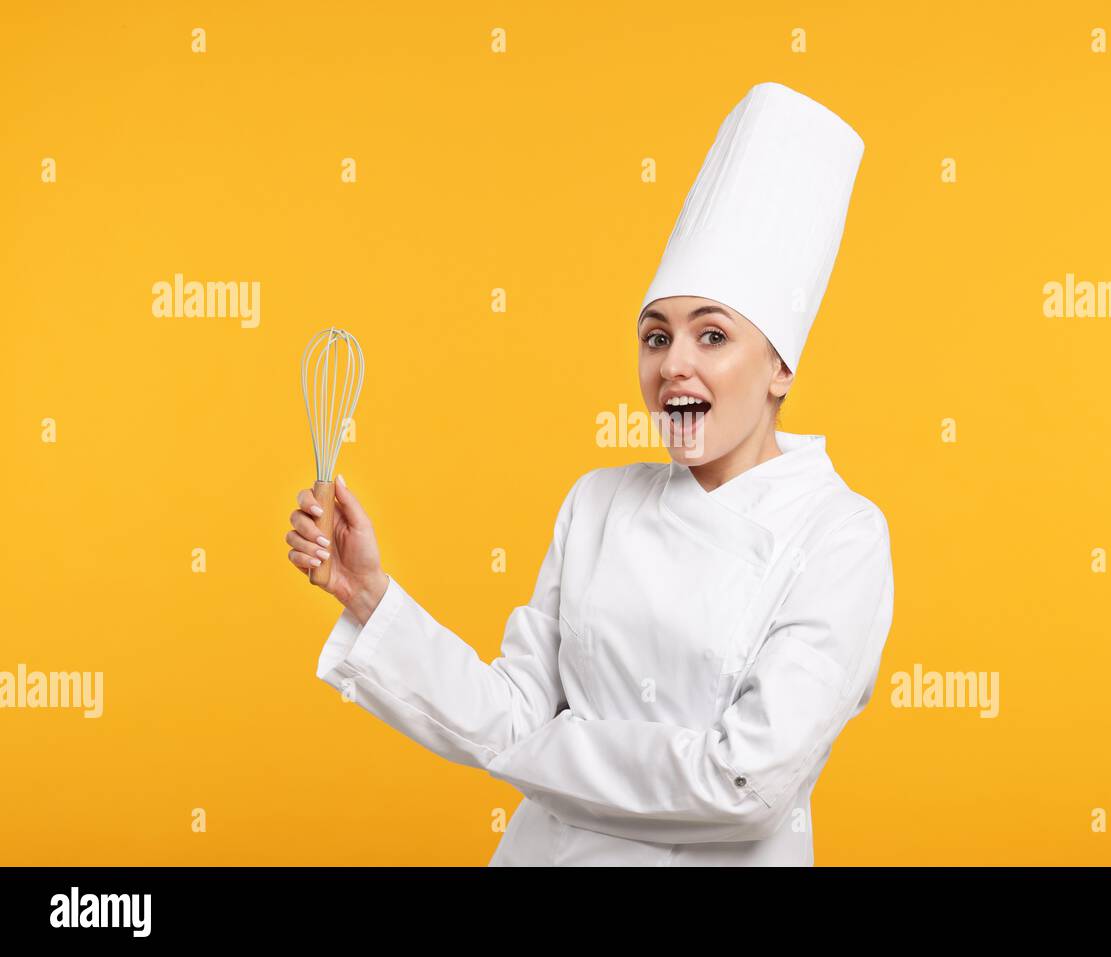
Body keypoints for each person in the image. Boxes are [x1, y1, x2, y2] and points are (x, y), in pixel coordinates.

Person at [287, 81, 894, 865]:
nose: (674, 364)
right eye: (655, 336)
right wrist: (365, 592)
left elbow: (747, 785)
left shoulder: (841, 533)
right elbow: (507, 714)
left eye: (713, 336)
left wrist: (542, 752)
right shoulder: (597, 503)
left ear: (780, 366)